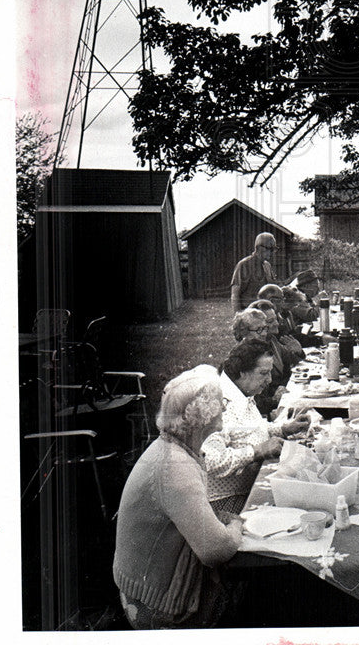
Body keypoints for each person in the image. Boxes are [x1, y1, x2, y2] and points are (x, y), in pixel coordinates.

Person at [112, 366, 243, 630]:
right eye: (222, 404)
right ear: (203, 416)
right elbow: (215, 550)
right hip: (157, 602)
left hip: (147, 585)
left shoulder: (174, 449)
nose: (225, 410)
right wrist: (237, 525)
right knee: (256, 595)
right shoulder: (175, 467)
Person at [201, 339, 308, 515]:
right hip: (226, 502)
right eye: (263, 373)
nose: (270, 379)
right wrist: (257, 451)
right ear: (242, 372)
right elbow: (211, 461)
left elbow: (249, 430)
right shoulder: (219, 404)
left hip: (250, 485)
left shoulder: (241, 392)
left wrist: (283, 429)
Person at [230, 233, 277, 314]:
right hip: (249, 313)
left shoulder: (267, 266)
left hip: (265, 313)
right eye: (270, 249)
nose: (272, 253)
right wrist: (238, 316)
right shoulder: (244, 265)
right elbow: (235, 294)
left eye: (273, 249)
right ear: (259, 248)